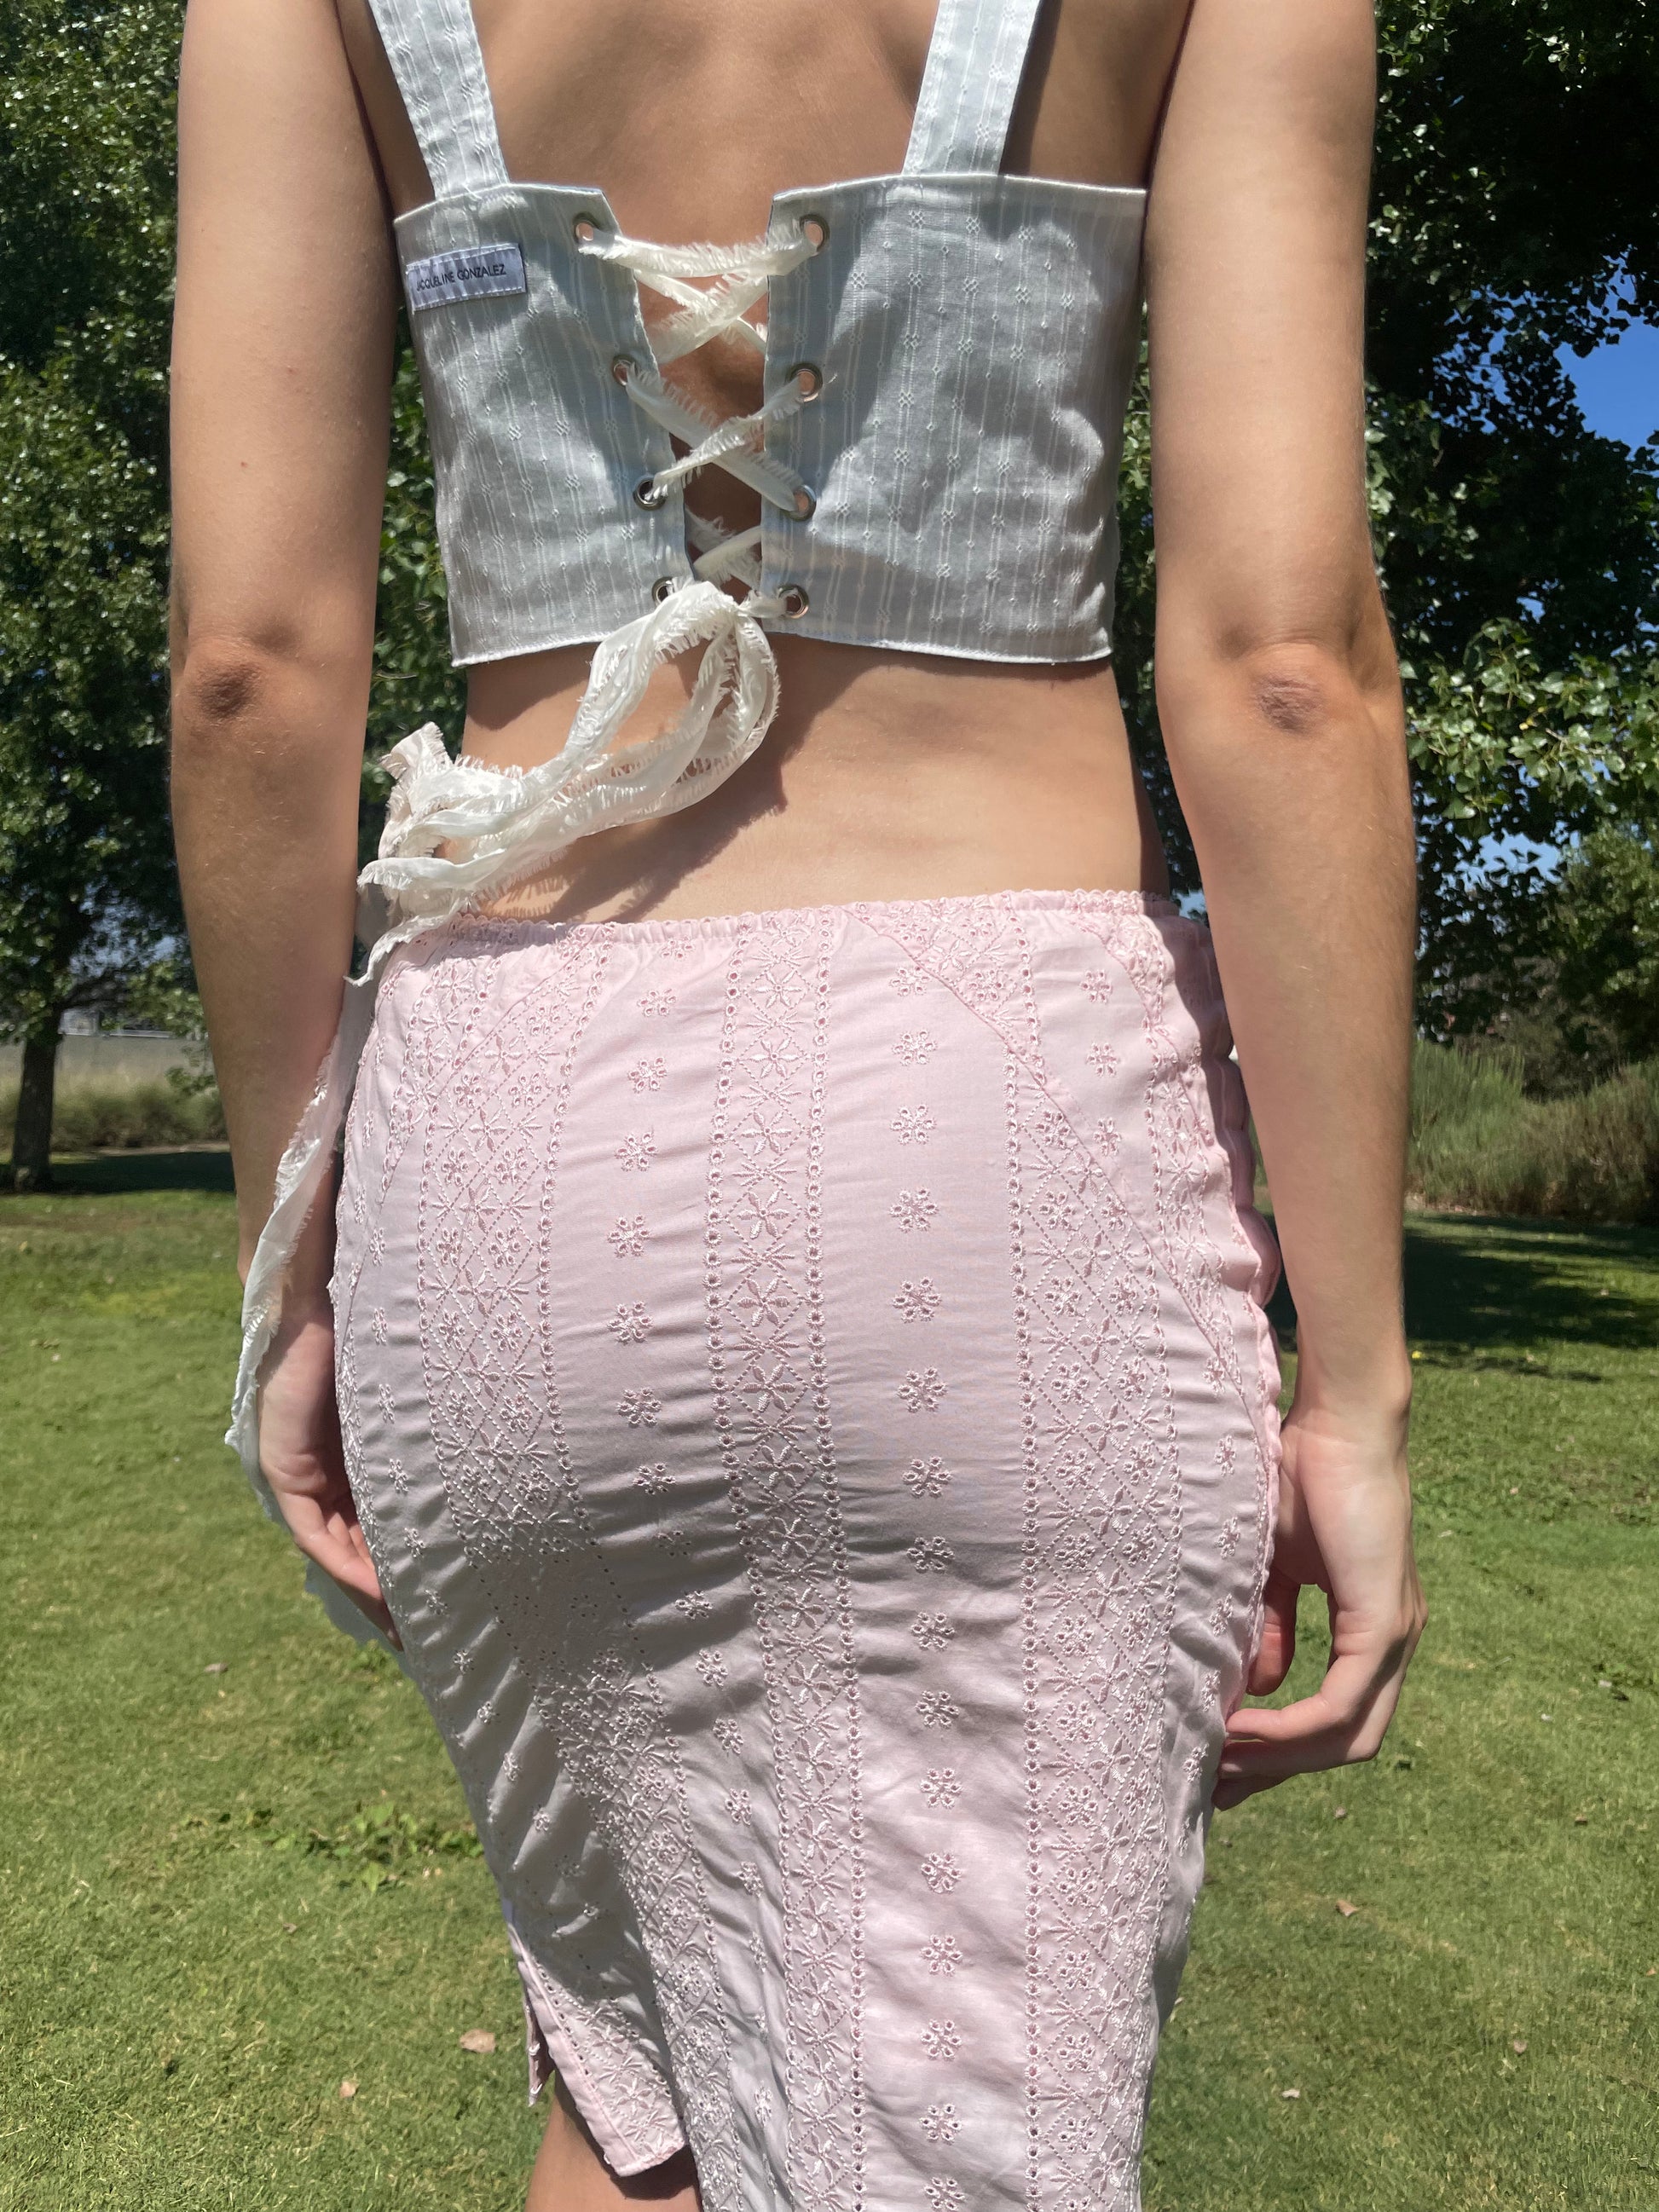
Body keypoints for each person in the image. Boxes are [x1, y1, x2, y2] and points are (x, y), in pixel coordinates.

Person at [169, 0, 1425, 2204]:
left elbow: (252, 667)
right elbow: (1279, 659)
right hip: (990, 1138)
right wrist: (1356, 1382)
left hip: (508, 1140)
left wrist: (298, 1252)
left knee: (634, 2079)